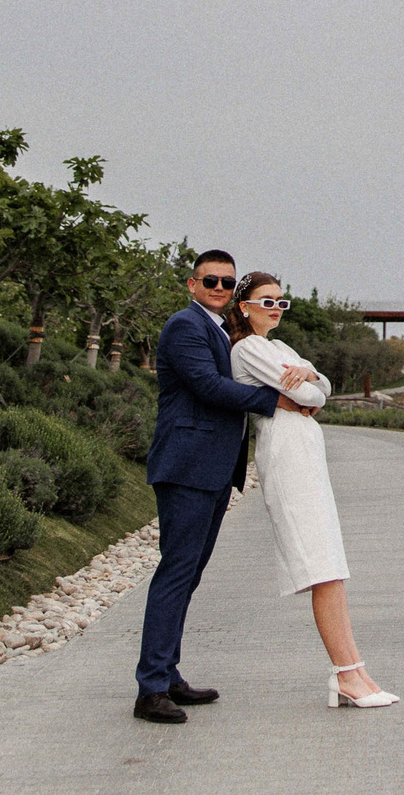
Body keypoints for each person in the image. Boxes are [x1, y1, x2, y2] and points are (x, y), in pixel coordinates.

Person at [133, 249, 318, 725]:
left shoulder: (220, 330)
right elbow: (208, 386)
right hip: (186, 467)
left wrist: (304, 383)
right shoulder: (184, 326)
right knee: (175, 575)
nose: (217, 288)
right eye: (209, 280)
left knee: (188, 577)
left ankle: (168, 675)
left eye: (225, 283)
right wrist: (278, 400)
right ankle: (150, 689)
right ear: (191, 285)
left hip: (212, 470)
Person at [225, 270, 399, 708]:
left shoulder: (278, 347)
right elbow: (312, 398)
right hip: (285, 453)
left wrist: (311, 378)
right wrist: (309, 386)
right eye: (267, 301)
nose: (276, 309)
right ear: (244, 306)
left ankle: (356, 671)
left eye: (282, 302)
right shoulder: (247, 348)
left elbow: (321, 387)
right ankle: (346, 675)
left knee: (333, 565)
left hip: (306, 453)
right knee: (321, 566)